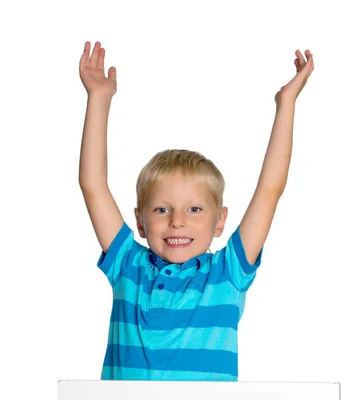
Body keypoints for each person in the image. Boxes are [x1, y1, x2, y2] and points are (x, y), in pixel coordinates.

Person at [78, 41, 314, 380]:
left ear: (219, 222)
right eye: (161, 209)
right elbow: (93, 186)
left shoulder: (227, 273)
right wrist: (98, 99)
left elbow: (270, 189)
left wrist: (286, 104)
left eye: (194, 209)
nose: (177, 221)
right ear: (140, 222)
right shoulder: (127, 265)